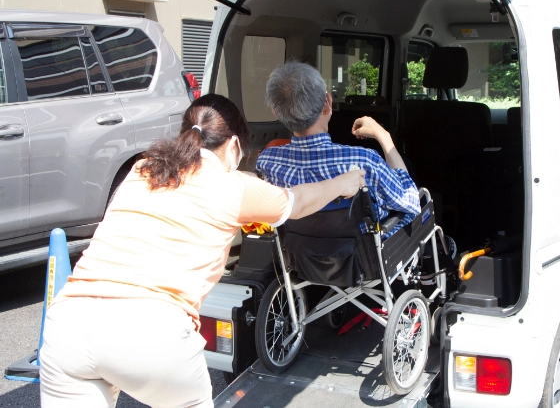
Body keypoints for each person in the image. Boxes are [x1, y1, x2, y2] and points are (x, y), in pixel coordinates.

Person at [39, 94, 365, 408]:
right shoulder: (234, 187)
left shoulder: (143, 169)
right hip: (150, 330)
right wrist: (343, 183)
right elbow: (300, 201)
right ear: (235, 146)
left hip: (68, 325)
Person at [256, 62, 420, 238]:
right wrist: (383, 136)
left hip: (299, 262)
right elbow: (411, 200)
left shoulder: (266, 162)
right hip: (365, 263)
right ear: (328, 103)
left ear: (276, 112)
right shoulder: (365, 161)